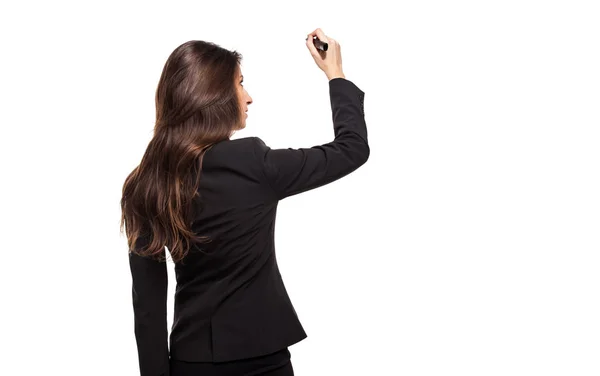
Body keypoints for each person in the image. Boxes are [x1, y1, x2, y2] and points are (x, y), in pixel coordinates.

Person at [121, 28, 369, 376]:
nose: (248, 96)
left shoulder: (145, 183)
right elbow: (351, 149)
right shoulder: (253, 163)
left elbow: (147, 310)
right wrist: (336, 74)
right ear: (215, 96)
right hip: (263, 360)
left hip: (193, 362)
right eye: (240, 84)